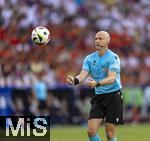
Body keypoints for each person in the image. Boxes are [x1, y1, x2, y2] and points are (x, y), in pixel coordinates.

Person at [66, 31, 123, 141]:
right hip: (99, 96)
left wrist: (97, 83)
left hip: (114, 96)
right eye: (96, 38)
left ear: (108, 41)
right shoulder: (89, 58)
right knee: (91, 131)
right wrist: (75, 80)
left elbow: (112, 78)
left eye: (100, 38)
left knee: (109, 133)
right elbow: (82, 75)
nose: (97, 41)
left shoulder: (113, 57)